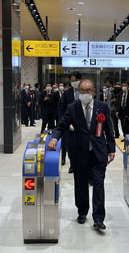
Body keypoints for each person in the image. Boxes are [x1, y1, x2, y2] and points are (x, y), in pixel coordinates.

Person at [48, 79, 115, 230]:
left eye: (88, 91)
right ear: (78, 92)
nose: (85, 94)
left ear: (94, 92)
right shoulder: (73, 108)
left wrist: (111, 149)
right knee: (81, 184)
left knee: (98, 184)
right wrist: (54, 138)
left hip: (98, 152)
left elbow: (109, 129)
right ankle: (82, 211)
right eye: (82, 91)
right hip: (79, 152)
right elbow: (62, 125)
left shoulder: (102, 107)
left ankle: (98, 218)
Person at [59, 71, 82, 173]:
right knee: (71, 146)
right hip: (70, 124)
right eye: (72, 81)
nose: (74, 82)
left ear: (80, 80)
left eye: (75, 80)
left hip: (83, 124)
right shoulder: (67, 93)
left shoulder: (85, 92)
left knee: (82, 145)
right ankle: (72, 164)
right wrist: (66, 123)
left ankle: (82, 165)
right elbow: (62, 109)